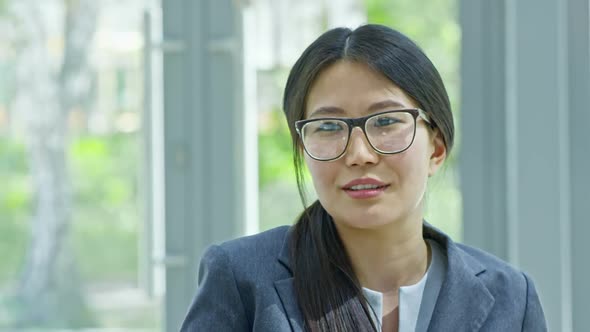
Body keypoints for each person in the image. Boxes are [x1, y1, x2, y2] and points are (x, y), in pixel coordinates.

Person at [180, 24, 547, 332]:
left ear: (436, 148)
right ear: (304, 149)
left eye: (386, 121)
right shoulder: (241, 279)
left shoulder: (511, 298)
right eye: (327, 126)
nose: (359, 154)